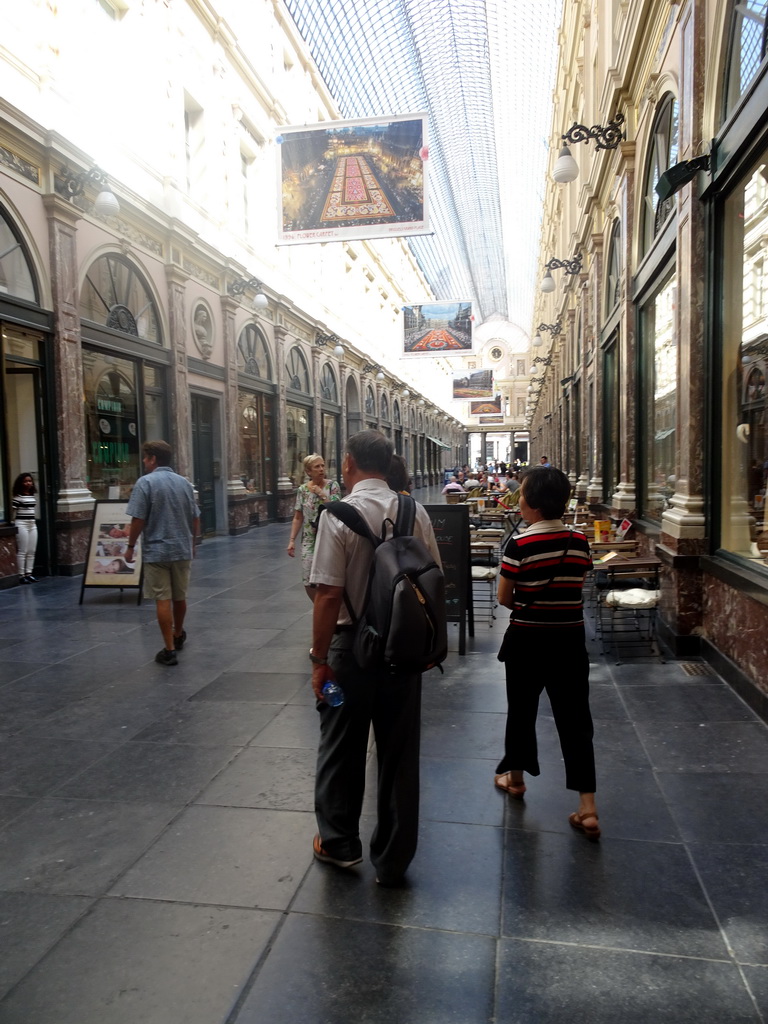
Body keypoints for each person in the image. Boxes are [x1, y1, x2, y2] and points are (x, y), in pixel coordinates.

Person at [308, 429, 441, 886]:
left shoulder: (337, 515)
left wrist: (317, 659)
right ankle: (394, 855)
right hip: (401, 655)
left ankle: (340, 844)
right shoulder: (414, 510)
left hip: (348, 658)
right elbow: (434, 578)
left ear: (348, 464)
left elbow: (327, 593)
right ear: (387, 464)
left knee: (340, 742)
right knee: (399, 751)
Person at [493, 466, 600, 840]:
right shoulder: (579, 541)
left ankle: (517, 778)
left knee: (521, 711)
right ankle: (587, 806)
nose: (519, 499)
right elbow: (577, 587)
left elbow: (505, 597)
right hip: (569, 641)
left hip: (527, 641)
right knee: (575, 719)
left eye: (522, 493)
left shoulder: (518, 544)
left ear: (533, 503)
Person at [124, 441, 199, 667]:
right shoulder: (184, 483)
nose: (145, 462)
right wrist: (193, 542)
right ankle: (178, 633)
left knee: (162, 598)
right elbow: (196, 516)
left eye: (146, 458)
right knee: (180, 595)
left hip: (157, 550)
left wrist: (130, 546)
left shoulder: (145, 482)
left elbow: (138, 519)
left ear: (153, 459)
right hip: (182, 548)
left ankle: (168, 649)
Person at [286, 454, 341, 601]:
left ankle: (328, 608)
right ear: (308, 471)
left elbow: (337, 509)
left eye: (323, 465)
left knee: (329, 576)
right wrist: (292, 540)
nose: (322, 469)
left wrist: (321, 494)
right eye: (317, 466)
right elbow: (298, 517)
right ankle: (318, 606)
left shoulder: (332, 486)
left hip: (329, 536)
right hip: (309, 538)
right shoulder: (302, 490)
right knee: (307, 577)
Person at [12, 472, 38, 584]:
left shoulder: (31, 495)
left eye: (30, 481)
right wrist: (12, 523)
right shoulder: (17, 497)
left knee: (32, 550)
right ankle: (21, 575)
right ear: (21, 483)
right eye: (25, 481)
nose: (28, 483)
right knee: (23, 550)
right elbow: (13, 512)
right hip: (21, 523)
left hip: (32, 523)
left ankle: (29, 573)